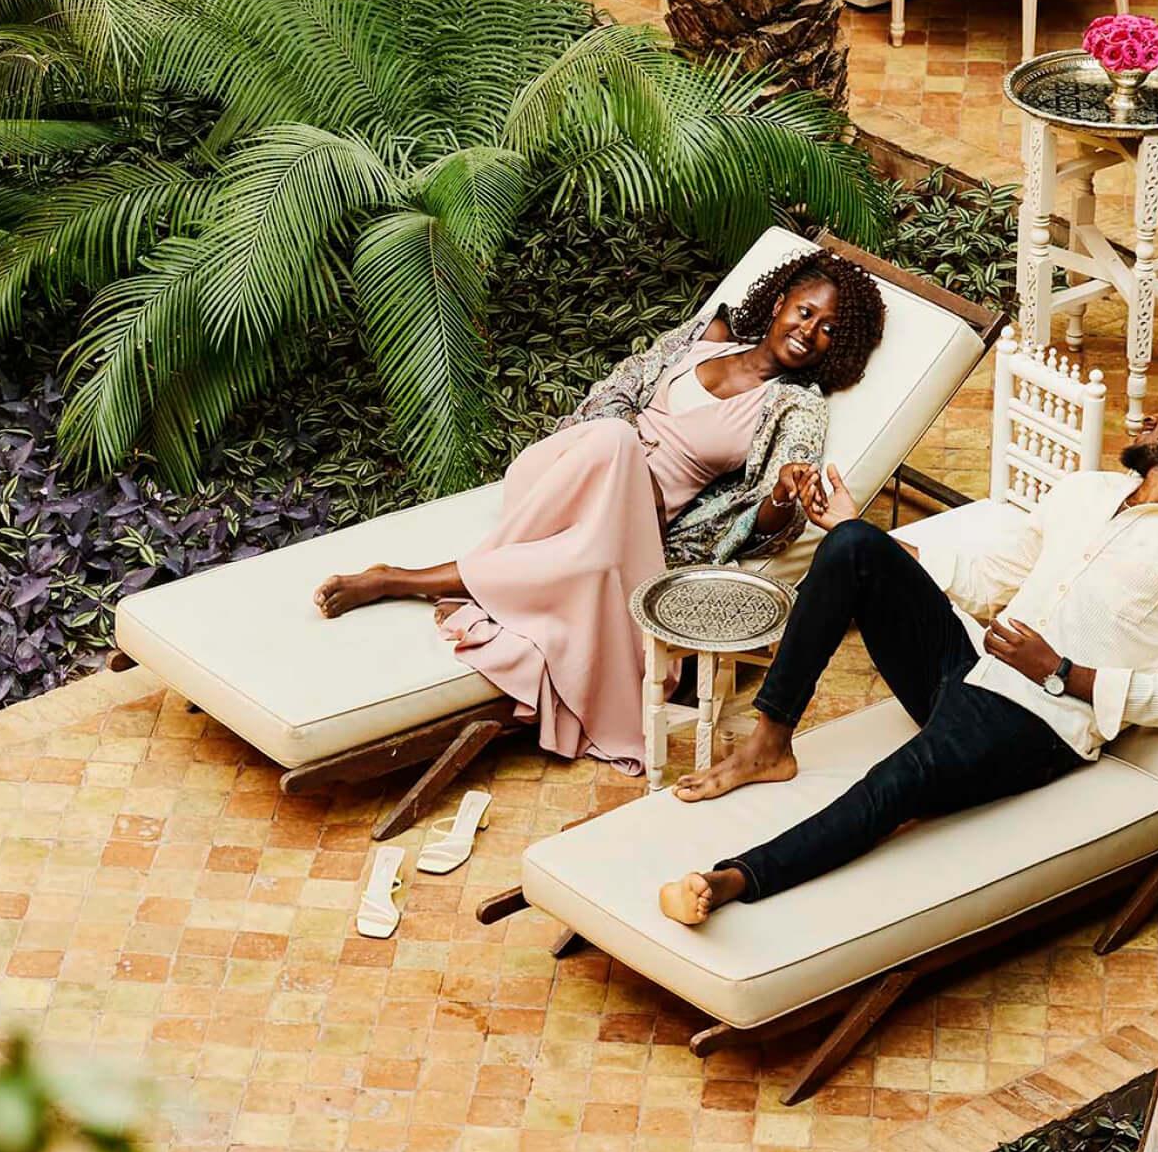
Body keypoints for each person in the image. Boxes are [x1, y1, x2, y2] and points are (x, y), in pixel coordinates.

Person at [659, 385, 1158, 926]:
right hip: (968, 662)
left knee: (897, 783)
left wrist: (1058, 671)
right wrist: (870, 543)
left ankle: (734, 877)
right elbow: (994, 576)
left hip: (1037, 722)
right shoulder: (1088, 493)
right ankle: (770, 743)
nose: (1149, 418)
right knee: (852, 545)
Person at [314, 252, 890, 771]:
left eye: (828, 330)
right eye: (806, 312)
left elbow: (764, 526)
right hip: (567, 473)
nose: (811, 331)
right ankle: (426, 577)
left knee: (591, 556)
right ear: (780, 303)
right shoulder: (707, 336)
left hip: (633, 523)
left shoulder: (795, 406)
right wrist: (621, 451)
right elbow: (613, 392)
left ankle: (399, 578)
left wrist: (785, 493)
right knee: (614, 440)